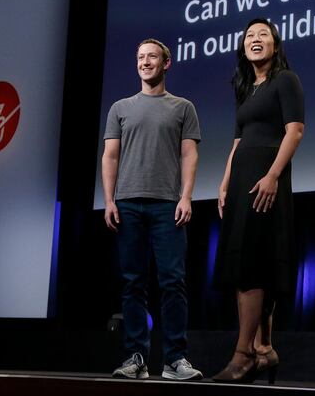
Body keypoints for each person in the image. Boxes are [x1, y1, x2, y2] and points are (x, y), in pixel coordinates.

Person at [102, 38, 203, 381]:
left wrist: (186, 196)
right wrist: (110, 199)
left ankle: (175, 359)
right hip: (128, 204)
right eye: (140, 57)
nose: (145, 62)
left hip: (166, 205)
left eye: (152, 57)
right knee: (133, 284)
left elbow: (190, 155)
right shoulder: (120, 108)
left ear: (166, 63)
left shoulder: (183, 107)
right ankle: (136, 357)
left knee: (173, 282)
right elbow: (110, 155)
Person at [211, 18, 305, 384]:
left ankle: (243, 354)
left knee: (254, 263)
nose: (255, 39)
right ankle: (264, 349)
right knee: (245, 262)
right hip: (241, 181)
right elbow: (237, 142)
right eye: (250, 35)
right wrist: (224, 182)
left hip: (267, 178)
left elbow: (295, 131)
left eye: (263, 34)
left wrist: (273, 175)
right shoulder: (246, 88)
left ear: (275, 45)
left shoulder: (286, 80)